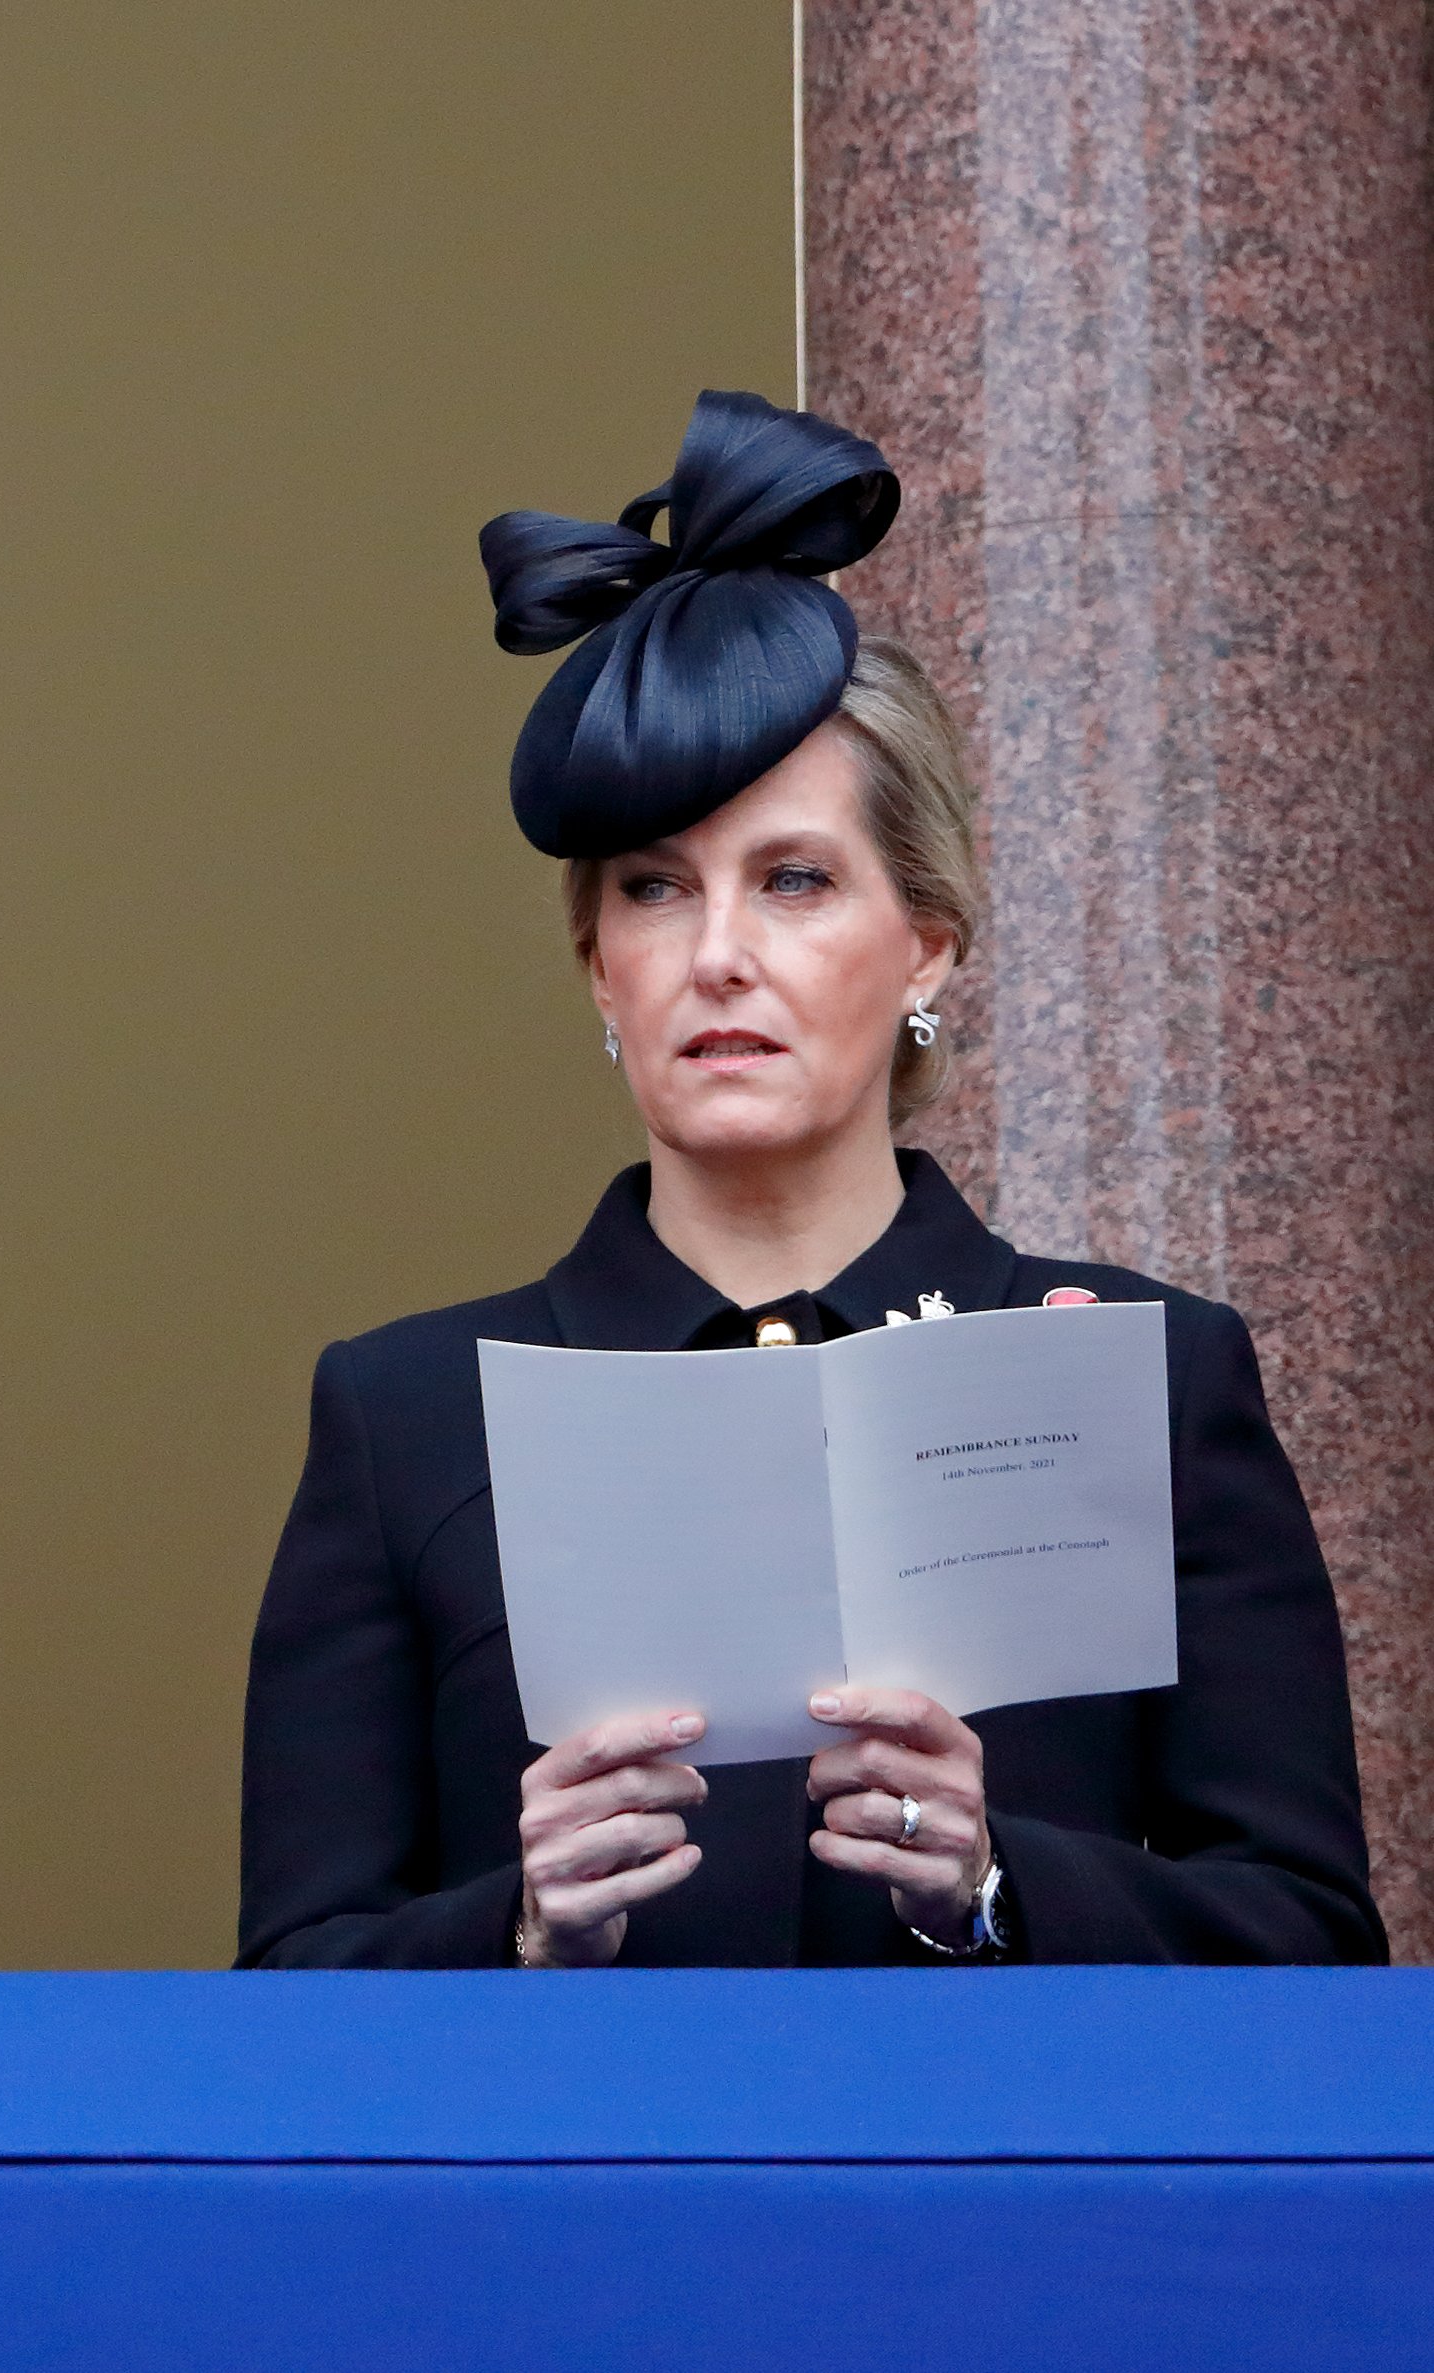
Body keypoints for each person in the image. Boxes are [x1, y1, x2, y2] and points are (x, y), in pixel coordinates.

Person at [237, 391, 1381, 1968]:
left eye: (792, 880)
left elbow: (1310, 1943)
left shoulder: (1140, 1372)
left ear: (924, 939)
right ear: (595, 964)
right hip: (577, 2211)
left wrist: (999, 1885)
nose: (716, 954)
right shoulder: (406, 1410)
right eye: (653, 888)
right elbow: (284, 1995)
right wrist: (512, 1930)